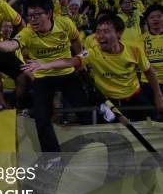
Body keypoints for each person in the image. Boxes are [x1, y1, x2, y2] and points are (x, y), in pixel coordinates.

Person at [0, 0, 89, 153]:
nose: (32, 19)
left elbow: (76, 41)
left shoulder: (65, 23)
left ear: (49, 14)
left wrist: (79, 61)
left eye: (37, 15)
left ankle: (92, 148)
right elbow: (12, 45)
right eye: (29, 16)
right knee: (41, 119)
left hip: (67, 74)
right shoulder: (27, 32)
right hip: (43, 77)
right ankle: (52, 157)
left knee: (85, 111)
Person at [23, 13, 163, 122]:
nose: (100, 36)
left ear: (119, 33)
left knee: (154, 125)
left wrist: (158, 95)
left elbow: (149, 72)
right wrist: (43, 65)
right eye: (98, 31)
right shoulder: (92, 51)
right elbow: (71, 61)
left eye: (106, 31)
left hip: (135, 97)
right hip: (109, 102)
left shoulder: (135, 49)